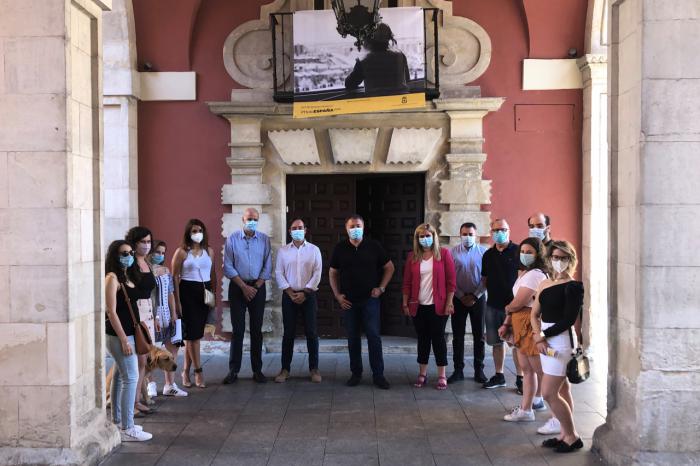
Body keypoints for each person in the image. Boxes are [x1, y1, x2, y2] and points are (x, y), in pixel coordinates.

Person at [329, 214, 395, 389]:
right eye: (352, 226)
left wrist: (381, 288)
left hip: (370, 300)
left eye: (358, 225)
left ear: (363, 227)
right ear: (346, 228)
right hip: (349, 301)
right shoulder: (340, 248)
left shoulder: (374, 246)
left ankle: (378, 375)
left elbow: (389, 267)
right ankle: (356, 373)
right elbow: (333, 273)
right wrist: (337, 295)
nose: (355, 229)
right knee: (353, 338)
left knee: (374, 337)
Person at [531, 240, 584, 453]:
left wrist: (542, 335)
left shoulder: (574, 287)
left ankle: (572, 436)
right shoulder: (544, 283)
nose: (558, 261)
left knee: (549, 393)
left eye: (563, 258)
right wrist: (537, 335)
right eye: (555, 257)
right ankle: (564, 433)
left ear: (570, 260)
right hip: (544, 340)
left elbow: (568, 320)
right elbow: (534, 313)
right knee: (561, 388)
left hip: (561, 341)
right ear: (549, 259)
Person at [104, 240, 153, 441]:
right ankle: (128, 427)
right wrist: (124, 340)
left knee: (119, 376)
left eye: (130, 252)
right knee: (130, 378)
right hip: (119, 336)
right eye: (124, 253)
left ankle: (117, 420)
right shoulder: (112, 278)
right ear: (114, 255)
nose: (129, 256)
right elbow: (111, 311)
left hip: (129, 334)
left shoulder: (126, 276)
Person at [401, 223, 456, 390]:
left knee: (438, 339)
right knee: (423, 339)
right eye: (421, 236)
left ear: (434, 237)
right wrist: (405, 302)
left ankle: (442, 375)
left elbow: (451, 282)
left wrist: (449, 302)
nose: (425, 239)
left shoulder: (444, 254)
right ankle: (422, 374)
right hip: (418, 305)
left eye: (427, 235)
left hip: (438, 305)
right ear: (417, 239)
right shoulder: (412, 257)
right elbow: (407, 283)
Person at [500, 238, 548, 421]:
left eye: (530, 252)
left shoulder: (536, 274)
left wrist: (508, 309)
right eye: (523, 251)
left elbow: (519, 302)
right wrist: (507, 322)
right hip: (520, 321)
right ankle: (529, 405)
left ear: (538, 255)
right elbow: (516, 304)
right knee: (527, 369)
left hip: (529, 323)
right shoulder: (526, 273)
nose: (525, 255)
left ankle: (551, 411)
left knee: (539, 370)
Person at [222, 208, 272, 384]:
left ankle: (257, 370)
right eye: (249, 218)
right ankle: (233, 370)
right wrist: (244, 287)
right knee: (238, 331)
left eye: (255, 219)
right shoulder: (232, 239)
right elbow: (227, 266)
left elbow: (268, 265)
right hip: (237, 287)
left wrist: (256, 286)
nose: (252, 221)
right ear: (243, 220)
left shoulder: (265, 240)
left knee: (256, 331)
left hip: (257, 288)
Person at [274, 219, 323, 383]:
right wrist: (289, 291)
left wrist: (305, 292)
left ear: (305, 230)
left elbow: (317, 272)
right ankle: (285, 369)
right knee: (288, 333)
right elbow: (279, 272)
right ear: (289, 231)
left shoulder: (314, 250)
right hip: (289, 296)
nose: (297, 230)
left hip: (308, 296)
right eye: (294, 228)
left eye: (300, 228)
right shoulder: (283, 251)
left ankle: (314, 369)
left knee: (311, 333)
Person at [172, 219, 217, 389]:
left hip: (204, 293)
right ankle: (198, 371)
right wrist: (177, 301)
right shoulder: (182, 252)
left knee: (196, 335)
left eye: (199, 230)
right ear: (188, 233)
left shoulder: (209, 251)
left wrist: (214, 296)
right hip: (187, 293)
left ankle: (185, 371)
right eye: (193, 231)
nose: (197, 233)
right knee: (193, 336)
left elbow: (213, 274)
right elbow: (175, 277)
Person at [481, 218, 520, 389]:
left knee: (517, 343)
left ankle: (521, 378)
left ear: (509, 230)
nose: (499, 233)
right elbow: (484, 279)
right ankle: (499, 375)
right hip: (493, 305)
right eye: (496, 230)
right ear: (492, 232)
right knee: (496, 342)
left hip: (515, 307)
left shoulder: (519, 251)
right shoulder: (488, 255)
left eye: (502, 229)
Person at [448, 222, 487, 384]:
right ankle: (458, 370)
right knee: (458, 336)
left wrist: (475, 296)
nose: (468, 237)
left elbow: (486, 279)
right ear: (460, 234)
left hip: (478, 298)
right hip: (458, 298)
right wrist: (460, 295)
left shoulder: (484, 253)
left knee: (479, 336)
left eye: (471, 234)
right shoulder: (452, 253)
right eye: (465, 234)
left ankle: (479, 370)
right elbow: (449, 278)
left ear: (476, 235)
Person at [125, 226, 157, 415]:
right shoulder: (130, 264)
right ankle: (130, 404)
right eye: (142, 242)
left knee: (144, 360)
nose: (146, 245)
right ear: (134, 243)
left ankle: (136, 400)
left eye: (148, 241)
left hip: (148, 313)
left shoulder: (147, 262)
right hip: (135, 313)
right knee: (136, 361)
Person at [149, 241, 187, 397]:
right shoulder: (145, 271)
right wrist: (155, 316)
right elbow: (149, 296)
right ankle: (150, 384)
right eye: (157, 252)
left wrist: (174, 313)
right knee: (151, 351)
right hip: (153, 315)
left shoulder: (166, 271)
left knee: (172, 348)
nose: (161, 255)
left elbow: (170, 293)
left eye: (163, 253)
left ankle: (170, 385)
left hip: (167, 314)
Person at [345, 23, 410, 96]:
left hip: (377, 104)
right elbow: (407, 80)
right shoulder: (400, 56)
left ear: (368, 39)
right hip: (401, 101)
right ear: (389, 38)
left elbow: (349, 84)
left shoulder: (364, 61)